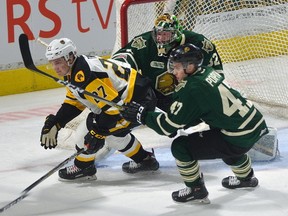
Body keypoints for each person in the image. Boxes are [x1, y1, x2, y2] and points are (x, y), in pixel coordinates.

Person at [120, 43, 268, 203]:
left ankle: (196, 189)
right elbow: (201, 111)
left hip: (238, 136)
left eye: (177, 67)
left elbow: (167, 126)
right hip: (255, 124)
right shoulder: (207, 72)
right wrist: (183, 122)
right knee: (223, 143)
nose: (173, 72)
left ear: (190, 66)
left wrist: (142, 115)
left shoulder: (192, 88)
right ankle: (246, 178)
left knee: (181, 147)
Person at [40, 37, 159, 181]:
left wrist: (96, 133)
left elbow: (113, 109)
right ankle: (145, 160)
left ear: (70, 58)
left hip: (136, 103)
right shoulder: (75, 70)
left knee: (88, 130)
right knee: (113, 135)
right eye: (52, 63)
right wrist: (57, 122)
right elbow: (73, 102)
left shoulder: (85, 75)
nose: (55, 68)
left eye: (58, 62)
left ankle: (84, 167)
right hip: (135, 98)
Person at [112, 13, 223, 112]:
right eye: (158, 34)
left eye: (166, 34)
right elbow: (124, 57)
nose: (160, 38)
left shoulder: (198, 42)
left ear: (176, 33)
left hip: (189, 98)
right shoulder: (145, 42)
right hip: (155, 99)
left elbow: (216, 73)